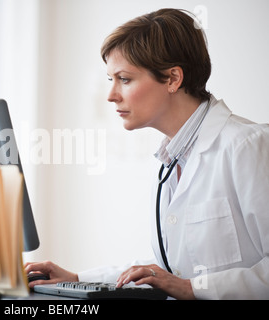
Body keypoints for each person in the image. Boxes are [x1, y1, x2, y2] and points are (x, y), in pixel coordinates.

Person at [25, 8, 269, 300]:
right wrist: (78, 279)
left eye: (124, 79)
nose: (111, 94)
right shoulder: (174, 158)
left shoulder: (248, 145)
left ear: (172, 79)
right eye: (110, 80)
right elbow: (169, 271)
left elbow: (184, 283)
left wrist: (192, 289)